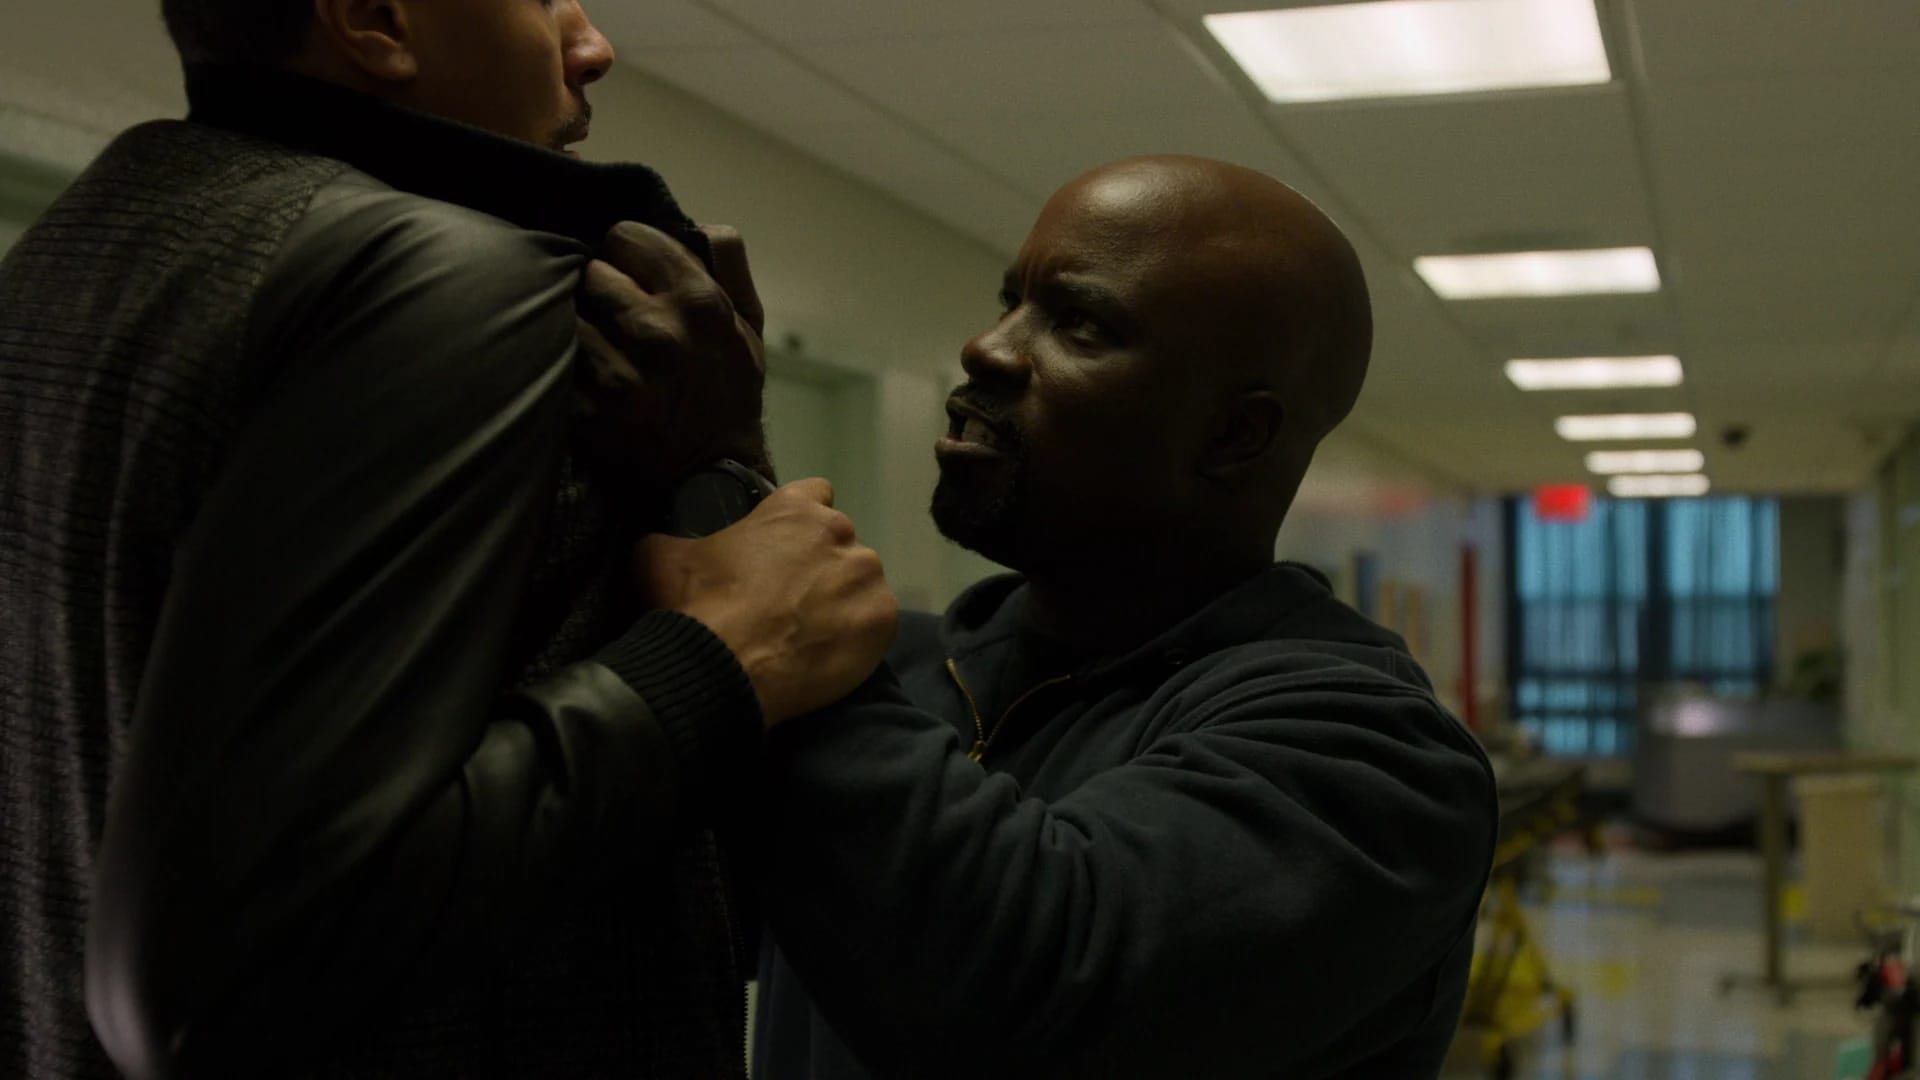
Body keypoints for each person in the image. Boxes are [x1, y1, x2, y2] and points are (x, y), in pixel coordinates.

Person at [0, 1, 895, 1078]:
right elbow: (224, 975)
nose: (592, 45)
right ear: (373, 18)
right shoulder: (441, 272)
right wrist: (722, 659)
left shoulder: (76, 258)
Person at [733, 156, 1500, 1079]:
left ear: (1235, 435)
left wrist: (731, 498)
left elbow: (1032, 999)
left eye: (1081, 324)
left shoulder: (1374, 760)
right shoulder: (903, 667)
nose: (988, 348)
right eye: (1012, 302)